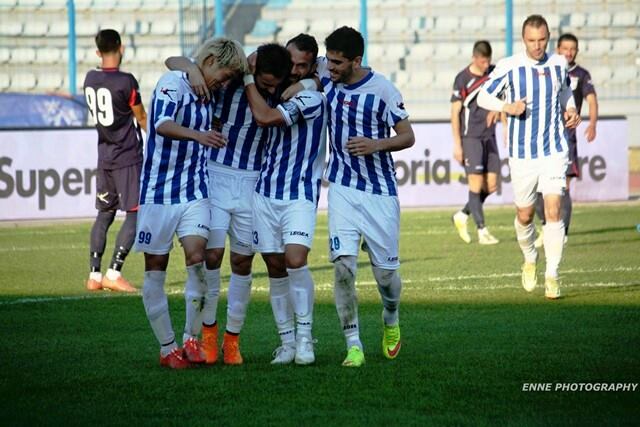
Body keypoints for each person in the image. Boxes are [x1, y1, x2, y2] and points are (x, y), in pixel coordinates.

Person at [165, 44, 292, 365]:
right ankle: (206, 335)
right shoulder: (229, 79)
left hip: (252, 182)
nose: (270, 89)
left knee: (242, 262)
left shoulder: (282, 90)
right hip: (215, 176)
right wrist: (192, 68)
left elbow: (315, 72)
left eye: (274, 84)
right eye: (264, 82)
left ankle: (232, 341)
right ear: (253, 68)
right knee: (212, 256)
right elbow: (174, 61)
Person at [137, 37, 247, 369]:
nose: (225, 83)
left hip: (195, 191)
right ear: (211, 60)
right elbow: (161, 125)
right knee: (155, 268)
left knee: (198, 258)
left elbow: (180, 59)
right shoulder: (173, 83)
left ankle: (191, 338)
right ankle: (167, 346)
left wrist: (192, 67)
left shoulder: (208, 89)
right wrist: (200, 135)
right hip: (158, 193)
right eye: (224, 75)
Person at [309, 26, 415, 367]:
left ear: (357, 60)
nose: (331, 68)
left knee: (386, 276)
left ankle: (391, 317)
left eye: (338, 63)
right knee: (342, 268)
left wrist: (377, 145)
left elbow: (407, 135)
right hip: (341, 188)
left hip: (379, 192)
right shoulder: (327, 73)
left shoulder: (383, 90)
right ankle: (353, 344)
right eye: (330, 61)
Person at [477, 15, 581, 299]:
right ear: (524, 40)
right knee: (524, 215)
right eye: (532, 41)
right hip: (522, 155)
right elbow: (482, 97)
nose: (537, 46)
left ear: (549, 38)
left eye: (542, 40)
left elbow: (565, 93)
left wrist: (572, 110)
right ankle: (530, 257)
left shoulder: (559, 63)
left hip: (555, 150)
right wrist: (506, 106)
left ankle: (553, 275)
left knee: (553, 210)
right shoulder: (510, 66)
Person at [244, 34, 327, 365]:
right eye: (289, 63)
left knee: (295, 259)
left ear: (312, 65)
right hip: (265, 192)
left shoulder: (313, 97)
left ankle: (306, 338)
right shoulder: (277, 83)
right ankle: (287, 342)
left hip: (299, 193)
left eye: (302, 66)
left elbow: (265, 118)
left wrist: (311, 82)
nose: (294, 70)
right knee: (275, 266)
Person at [83, 29, 147, 293]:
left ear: (98, 51)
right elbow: (140, 116)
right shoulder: (126, 81)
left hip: (105, 154)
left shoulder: (89, 78)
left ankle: (94, 275)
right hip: (127, 155)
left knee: (105, 214)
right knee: (135, 213)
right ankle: (114, 272)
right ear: (121, 48)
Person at [533, 33, 598, 247]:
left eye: (573, 49)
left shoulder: (581, 74)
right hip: (543, 136)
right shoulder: (548, 70)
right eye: (565, 48)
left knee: (563, 186)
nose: (569, 52)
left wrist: (592, 123)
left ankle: (564, 232)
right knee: (538, 188)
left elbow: (591, 99)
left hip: (566, 138)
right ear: (558, 49)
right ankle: (547, 226)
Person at [450, 40, 501, 245]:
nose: (485, 64)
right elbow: (454, 113)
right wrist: (457, 144)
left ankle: (462, 215)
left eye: (488, 60)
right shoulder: (462, 79)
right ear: (474, 58)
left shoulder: (495, 73)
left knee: (492, 185)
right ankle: (482, 230)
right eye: (482, 61)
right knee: (475, 183)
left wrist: (498, 110)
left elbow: (505, 96)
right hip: (470, 137)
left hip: (490, 136)